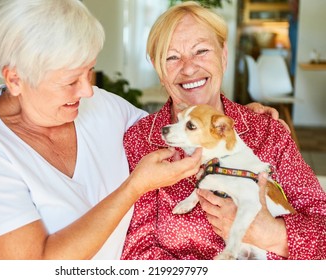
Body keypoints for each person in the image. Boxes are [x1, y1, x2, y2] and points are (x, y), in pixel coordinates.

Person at [0, 0, 286, 260]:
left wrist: (234, 118)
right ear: (15, 79)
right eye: (70, 80)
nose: (88, 90)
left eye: (89, 71)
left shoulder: (99, 106)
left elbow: (172, 126)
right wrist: (134, 187)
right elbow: (37, 266)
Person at [121, 2, 326, 260]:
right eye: (172, 57)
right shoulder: (141, 141)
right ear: (158, 68)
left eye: (201, 51)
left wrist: (272, 234)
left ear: (224, 55)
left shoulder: (268, 134)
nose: (188, 67)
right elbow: (137, 252)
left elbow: (322, 226)